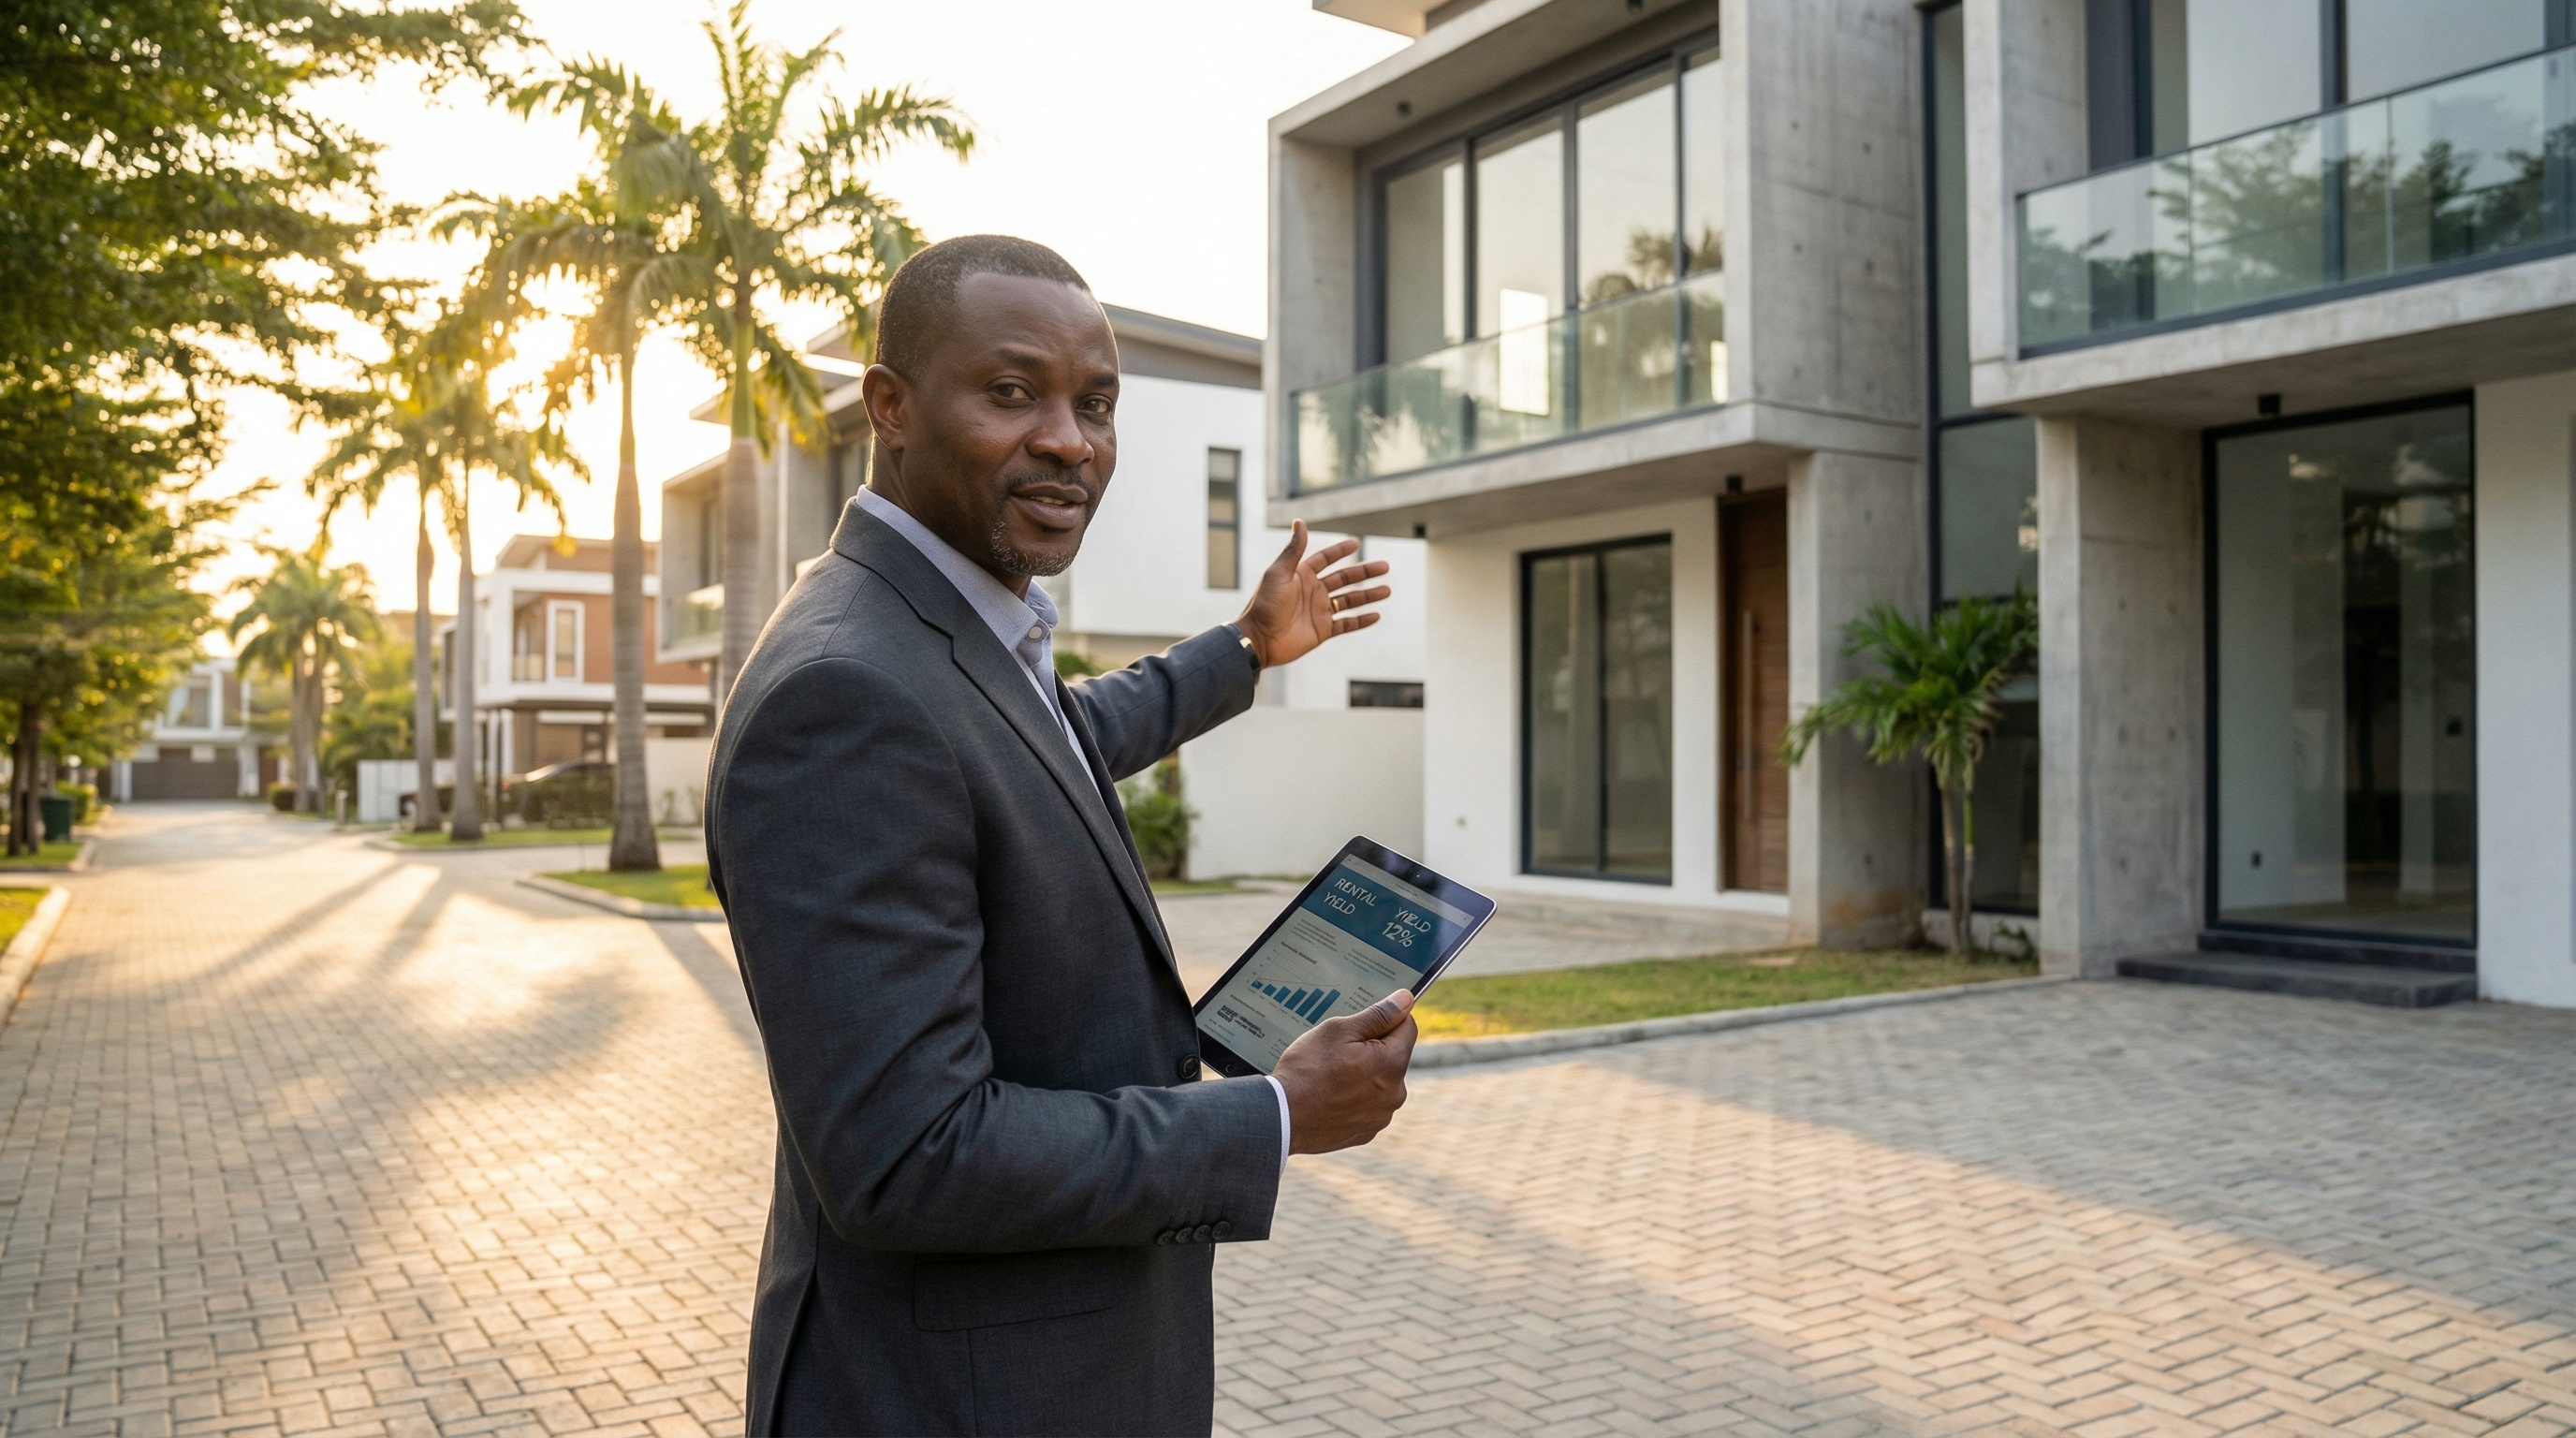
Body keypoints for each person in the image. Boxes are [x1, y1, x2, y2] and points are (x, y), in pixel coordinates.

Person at [705, 234, 1420, 1437]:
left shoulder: (943, 628)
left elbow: (1053, 736)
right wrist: (1277, 1115)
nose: (1068, 440)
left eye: (1095, 404)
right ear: (889, 405)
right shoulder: (847, 695)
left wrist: (1243, 650)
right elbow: (912, 1153)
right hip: (957, 1400)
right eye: (1010, 392)